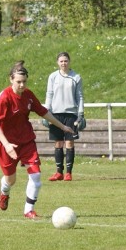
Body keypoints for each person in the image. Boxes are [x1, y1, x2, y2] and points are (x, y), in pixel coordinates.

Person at [0, 60, 74, 219]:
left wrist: (62, 126)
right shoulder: (4, 98)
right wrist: (7, 145)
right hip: (7, 144)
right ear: (11, 79)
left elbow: (43, 112)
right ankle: (4, 192)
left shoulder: (28, 95)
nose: (22, 85)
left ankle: (29, 210)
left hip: (26, 141)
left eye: (24, 82)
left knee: (36, 176)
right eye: (18, 82)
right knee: (10, 180)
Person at [43, 52, 85, 182]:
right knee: (58, 143)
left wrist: (80, 113)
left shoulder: (76, 77)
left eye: (65, 61)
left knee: (69, 143)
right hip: (55, 114)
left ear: (69, 61)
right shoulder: (53, 77)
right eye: (61, 61)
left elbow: (79, 96)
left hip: (71, 114)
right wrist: (46, 111)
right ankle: (58, 172)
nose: (63, 63)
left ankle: (68, 173)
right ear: (57, 62)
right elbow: (49, 94)